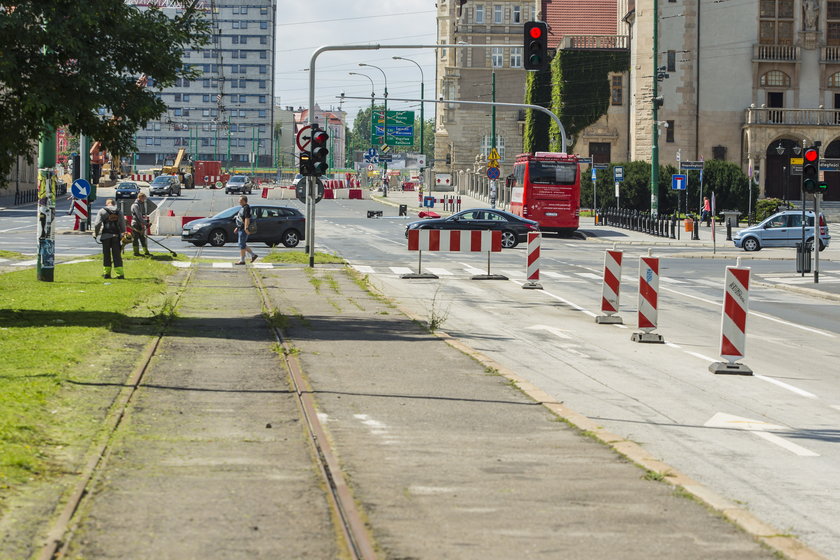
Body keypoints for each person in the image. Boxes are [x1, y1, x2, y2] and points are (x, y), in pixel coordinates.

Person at [93, 198, 126, 279]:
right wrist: (123, 234)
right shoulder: (119, 211)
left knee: (106, 255)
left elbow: (97, 224)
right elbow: (122, 224)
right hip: (116, 236)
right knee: (117, 255)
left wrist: (96, 233)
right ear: (114, 204)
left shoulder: (102, 211)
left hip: (106, 236)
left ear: (107, 204)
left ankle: (107, 274)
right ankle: (120, 274)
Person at [233, 195, 258, 265]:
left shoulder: (247, 208)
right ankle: (253, 255)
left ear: (244, 201)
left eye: (240, 201)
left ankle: (242, 260)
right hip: (240, 228)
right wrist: (237, 227)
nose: (239, 202)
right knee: (242, 244)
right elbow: (241, 218)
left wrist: (246, 228)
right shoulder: (243, 207)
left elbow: (247, 218)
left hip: (243, 229)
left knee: (241, 244)